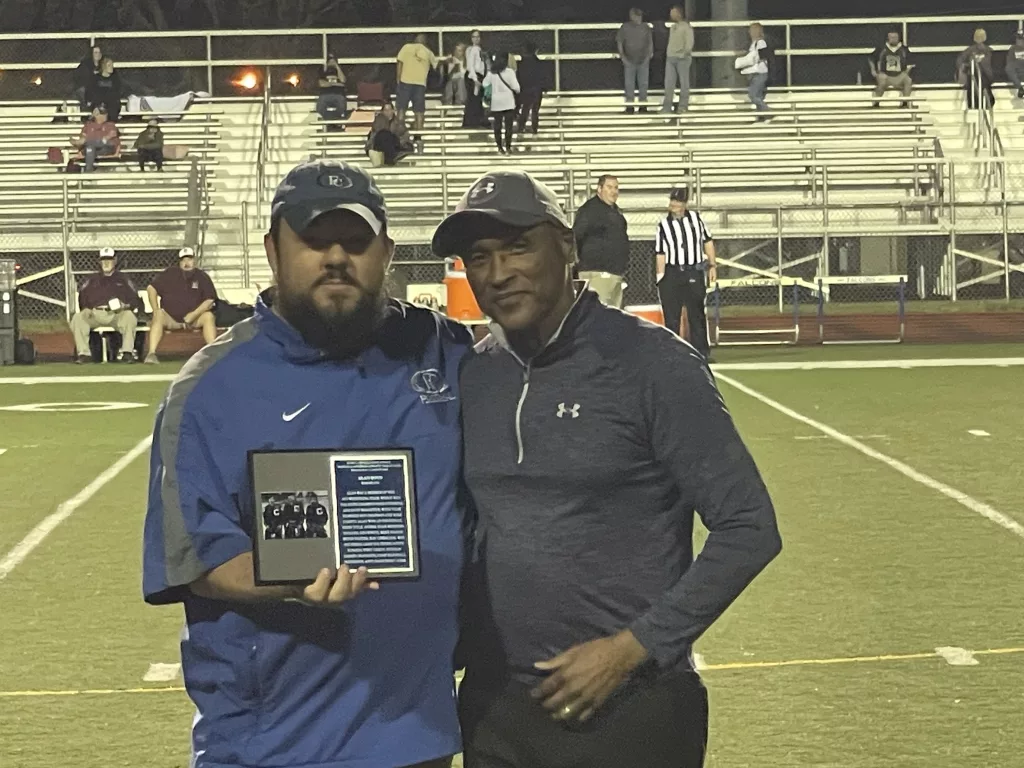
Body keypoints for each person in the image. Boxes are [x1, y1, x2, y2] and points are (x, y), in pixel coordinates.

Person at [431, 170, 782, 768]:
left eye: (518, 247)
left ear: (567, 246)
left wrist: (631, 649)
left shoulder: (654, 363)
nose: (498, 272)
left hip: (629, 704)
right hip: (496, 706)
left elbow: (749, 527)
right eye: (479, 257)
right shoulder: (474, 373)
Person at [142, 158, 473, 768]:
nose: (336, 257)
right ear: (273, 250)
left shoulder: (446, 351)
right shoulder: (211, 388)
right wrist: (294, 576)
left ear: (387, 253)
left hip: (419, 734)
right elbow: (194, 558)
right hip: (277, 742)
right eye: (314, 240)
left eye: (356, 241)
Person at [654, 187, 717, 361]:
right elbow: (660, 252)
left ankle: (701, 353)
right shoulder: (663, 225)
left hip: (693, 270)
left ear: (684, 204)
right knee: (671, 316)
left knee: (697, 314)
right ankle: (673, 353)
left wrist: (712, 265)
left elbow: (707, 241)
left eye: (678, 201)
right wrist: (660, 277)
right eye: (672, 201)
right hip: (673, 272)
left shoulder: (696, 219)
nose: (674, 204)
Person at [144, 246, 217, 363]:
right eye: (183, 260)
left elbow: (210, 300)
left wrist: (193, 314)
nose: (186, 263)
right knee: (158, 315)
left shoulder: (202, 276)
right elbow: (151, 288)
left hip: (194, 319)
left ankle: (213, 353)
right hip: (171, 318)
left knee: (208, 316)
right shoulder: (170, 274)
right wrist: (155, 309)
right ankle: (151, 354)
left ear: (195, 260)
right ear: (179, 262)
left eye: (189, 259)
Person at [70, 247, 143, 363]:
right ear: (99, 262)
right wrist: (85, 308)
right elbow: (82, 297)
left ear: (115, 261)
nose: (106, 263)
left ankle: (127, 353)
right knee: (77, 318)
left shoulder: (123, 279)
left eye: (109, 260)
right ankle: (84, 354)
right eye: (103, 260)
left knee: (129, 317)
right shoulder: (92, 280)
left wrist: (125, 306)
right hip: (95, 313)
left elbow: (135, 299)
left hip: (116, 314)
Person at [571, 175, 629, 308]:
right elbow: (576, 236)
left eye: (616, 188)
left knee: (613, 315)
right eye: (609, 187)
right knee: (598, 313)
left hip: (615, 274)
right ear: (599, 188)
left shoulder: (616, 211)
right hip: (597, 274)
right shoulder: (589, 210)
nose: (613, 191)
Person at [396, 33, 439, 132]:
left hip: (408, 82)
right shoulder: (427, 52)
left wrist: (398, 78)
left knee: (403, 108)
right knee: (418, 110)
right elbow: (436, 65)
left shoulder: (407, 47)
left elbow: (399, 62)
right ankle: (418, 133)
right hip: (417, 84)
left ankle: (403, 132)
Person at [483, 53, 520, 155]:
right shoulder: (510, 72)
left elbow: (485, 83)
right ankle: (508, 147)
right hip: (508, 102)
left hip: (496, 102)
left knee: (497, 126)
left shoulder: (492, 72)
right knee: (508, 126)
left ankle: (499, 147)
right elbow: (516, 87)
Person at [618, 7, 653, 113]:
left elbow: (650, 43)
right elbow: (620, 42)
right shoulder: (625, 27)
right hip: (629, 60)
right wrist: (623, 57)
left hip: (643, 60)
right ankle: (630, 106)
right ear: (631, 16)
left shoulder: (646, 27)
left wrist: (648, 57)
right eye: (636, 16)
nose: (638, 18)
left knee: (643, 84)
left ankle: (643, 106)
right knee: (629, 84)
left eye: (639, 16)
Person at [661, 5, 694, 114]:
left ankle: (683, 106)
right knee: (669, 84)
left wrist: (684, 53)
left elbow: (689, 42)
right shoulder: (673, 27)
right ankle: (667, 106)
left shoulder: (686, 27)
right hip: (671, 58)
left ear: (679, 14)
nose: (671, 15)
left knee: (684, 83)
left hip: (682, 58)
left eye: (673, 12)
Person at [735, 22, 771, 119]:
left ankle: (768, 112)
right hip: (755, 73)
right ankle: (761, 117)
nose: (750, 32)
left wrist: (747, 60)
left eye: (752, 30)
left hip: (760, 73)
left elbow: (762, 55)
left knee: (753, 95)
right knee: (758, 96)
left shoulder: (761, 43)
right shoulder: (753, 43)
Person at [869, 28, 913, 107]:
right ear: (888, 38)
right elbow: (871, 58)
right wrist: (873, 71)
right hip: (885, 75)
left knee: (908, 80)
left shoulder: (904, 49)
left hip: (899, 75)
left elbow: (910, 63)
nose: (894, 39)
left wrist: (906, 72)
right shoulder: (882, 48)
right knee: (882, 80)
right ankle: (876, 102)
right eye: (892, 37)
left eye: (895, 37)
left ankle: (905, 102)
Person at [364, 101, 414, 166]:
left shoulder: (399, 122)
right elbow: (373, 136)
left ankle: (387, 160)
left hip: (395, 145)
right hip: (380, 144)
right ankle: (389, 161)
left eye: (389, 109)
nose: (387, 112)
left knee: (388, 137)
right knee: (384, 135)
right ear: (382, 111)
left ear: (393, 110)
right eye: (385, 110)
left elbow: (404, 137)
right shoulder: (378, 121)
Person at [70, 106, 120, 172]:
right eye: (102, 113)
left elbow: (114, 138)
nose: (105, 115)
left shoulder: (110, 125)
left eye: (105, 113)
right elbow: (83, 137)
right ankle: (89, 170)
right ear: (96, 115)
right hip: (92, 150)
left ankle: (88, 171)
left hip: (106, 148)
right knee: (90, 148)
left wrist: (103, 140)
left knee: (89, 145)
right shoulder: (88, 125)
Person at [515, 40, 549, 134]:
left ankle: (521, 128)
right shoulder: (539, 64)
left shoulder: (521, 64)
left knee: (525, 109)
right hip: (537, 90)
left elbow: (519, 77)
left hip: (525, 89)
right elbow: (543, 77)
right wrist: (545, 88)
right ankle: (534, 129)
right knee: (535, 111)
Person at [956, 28, 995, 110]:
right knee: (972, 84)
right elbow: (960, 61)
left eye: (981, 37)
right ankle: (973, 104)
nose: (979, 39)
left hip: (985, 77)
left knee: (984, 85)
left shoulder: (988, 51)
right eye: (978, 37)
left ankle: (986, 102)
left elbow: (992, 65)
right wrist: (966, 65)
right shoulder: (970, 50)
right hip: (973, 77)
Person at [463, 30, 491, 128]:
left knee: (476, 99)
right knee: (474, 99)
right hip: (473, 76)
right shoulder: (473, 49)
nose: (476, 39)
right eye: (474, 37)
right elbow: (470, 65)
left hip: (477, 75)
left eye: (478, 37)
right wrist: (475, 79)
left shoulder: (478, 49)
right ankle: (473, 121)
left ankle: (474, 121)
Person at [317, 54, 349, 128]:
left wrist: (337, 67)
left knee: (342, 107)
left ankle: (330, 122)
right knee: (320, 108)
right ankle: (333, 122)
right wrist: (336, 84)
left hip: (338, 94)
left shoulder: (340, 70)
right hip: (325, 94)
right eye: (330, 61)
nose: (332, 62)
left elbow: (343, 80)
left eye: (333, 61)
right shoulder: (322, 70)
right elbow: (321, 84)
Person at [72, 45, 103, 116]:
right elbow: (82, 80)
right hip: (87, 89)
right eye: (95, 52)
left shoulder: (104, 64)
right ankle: (86, 112)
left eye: (99, 52)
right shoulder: (85, 65)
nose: (98, 54)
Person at [1006, 30, 1024, 99]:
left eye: (1021, 39)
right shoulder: (1013, 49)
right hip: (1016, 71)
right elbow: (1009, 62)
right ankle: (1020, 88)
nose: (1019, 41)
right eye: (1018, 39)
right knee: (1009, 68)